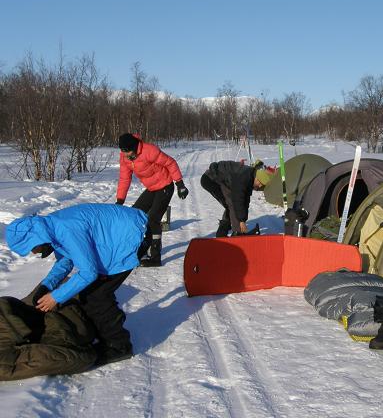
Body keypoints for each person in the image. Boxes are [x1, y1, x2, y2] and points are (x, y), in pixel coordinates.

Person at [5, 203, 148, 366]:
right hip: (118, 233)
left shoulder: (65, 230)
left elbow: (89, 273)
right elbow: (66, 261)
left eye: (32, 248)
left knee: (97, 295)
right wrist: (46, 286)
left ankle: (119, 346)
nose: (33, 253)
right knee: (92, 291)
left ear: (37, 238)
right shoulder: (51, 228)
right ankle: (107, 326)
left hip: (132, 236)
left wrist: (55, 297)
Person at [116, 133, 189, 267]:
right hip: (152, 188)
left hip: (165, 186)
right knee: (134, 215)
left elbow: (170, 162)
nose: (125, 155)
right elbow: (124, 178)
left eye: (127, 151)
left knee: (153, 219)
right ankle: (137, 251)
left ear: (134, 147)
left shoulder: (149, 150)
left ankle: (155, 257)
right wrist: (120, 200)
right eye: (123, 151)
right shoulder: (125, 157)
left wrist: (180, 184)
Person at [200, 160, 274, 237]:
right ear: (257, 178)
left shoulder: (249, 177)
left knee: (232, 205)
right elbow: (237, 201)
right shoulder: (242, 177)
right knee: (231, 204)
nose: (259, 186)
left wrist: (243, 219)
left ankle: (224, 233)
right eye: (260, 184)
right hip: (210, 180)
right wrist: (241, 222)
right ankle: (236, 233)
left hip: (220, 179)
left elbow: (245, 201)